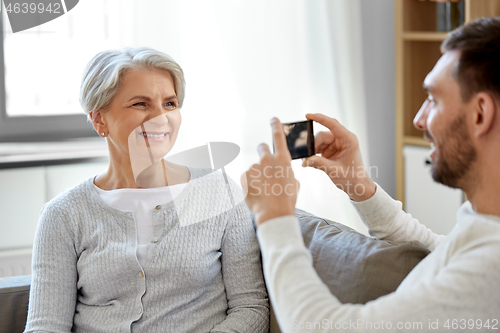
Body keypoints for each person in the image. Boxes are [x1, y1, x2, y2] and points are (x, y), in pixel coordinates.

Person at [242, 17, 500, 332]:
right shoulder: (485, 225)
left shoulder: (491, 269)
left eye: (433, 99)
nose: (419, 119)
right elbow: (439, 249)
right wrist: (361, 188)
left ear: (480, 114)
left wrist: (274, 220)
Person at [25, 47, 269, 333]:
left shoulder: (220, 193)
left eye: (169, 103)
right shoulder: (63, 214)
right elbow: (46, 326)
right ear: (99, 119)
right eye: (141, 104)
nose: (160, 118)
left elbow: (250, 308)